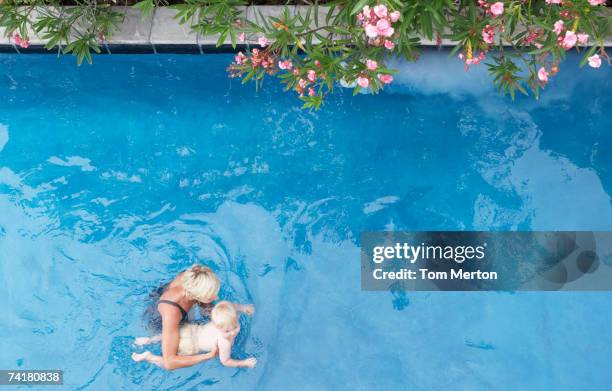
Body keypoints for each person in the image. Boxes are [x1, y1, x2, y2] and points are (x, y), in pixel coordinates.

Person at [139, 264, 254, 370]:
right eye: (211, 296)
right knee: (182, 347)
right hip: (159, 320)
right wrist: (208, 356)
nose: (217, 298)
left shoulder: (195, 275)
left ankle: (148, 341)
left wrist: (241, 308)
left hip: (168, 298)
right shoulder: (171, 313)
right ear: (197, 296)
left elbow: (207, 308)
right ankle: (150, 351)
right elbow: (170, 362)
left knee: (209, 315)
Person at [132, 301, 257, 369]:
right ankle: (150, 357)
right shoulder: (225, 342)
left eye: (235, 326)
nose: (233, 332)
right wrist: (243, 363)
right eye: (227, 331)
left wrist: (243, 307)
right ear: (219, 327)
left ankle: (149, 340)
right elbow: (226, 361)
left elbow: (229, 307)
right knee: (169, 362)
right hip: (190, 346)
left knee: (169, 335)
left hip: (189, 329)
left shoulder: (221, 316)